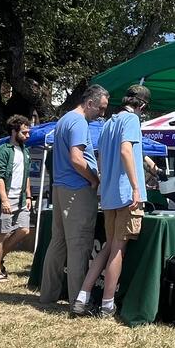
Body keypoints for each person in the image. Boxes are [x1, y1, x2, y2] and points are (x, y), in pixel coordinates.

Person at [75, 84, 150, 317]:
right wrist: (137, 187)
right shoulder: (131, 121)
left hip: (108, 194)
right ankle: (108, 305)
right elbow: (126, 151)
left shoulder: (108, 123)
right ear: (143, 106)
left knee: (108, 247)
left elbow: (100, 157)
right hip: (127, 195)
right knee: (118, 248)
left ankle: (82, 296)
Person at [40, 85, 108, 309]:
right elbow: (77, 159)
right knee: (79, 245)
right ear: (90, 103)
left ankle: (48, 295)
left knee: (58, 242)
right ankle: (77, 302)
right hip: (77, 190)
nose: (102, 114)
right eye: (100, 108)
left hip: (61, 188)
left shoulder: (64, 120)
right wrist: (94, 179)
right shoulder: (79, 122)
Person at [0, 114, 35, 283]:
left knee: (24, 230)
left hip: (22, 199)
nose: (28, 135)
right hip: (4, 200)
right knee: (1, 234)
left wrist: (29, 196)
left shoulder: (25, 151)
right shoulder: (2, 151)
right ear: (14, 131)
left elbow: (26, 176)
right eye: (24, 132)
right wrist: (4, 200)